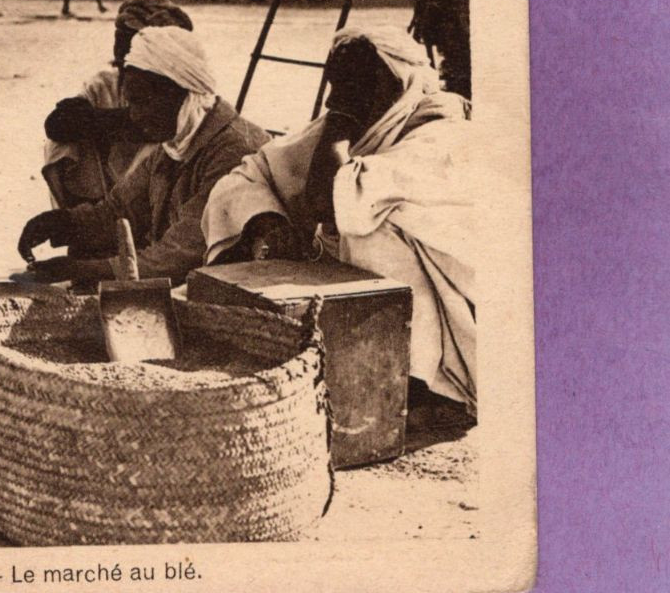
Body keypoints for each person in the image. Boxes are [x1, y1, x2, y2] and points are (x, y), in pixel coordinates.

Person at [202, 25, 476, 414]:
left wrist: (342, 118)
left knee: (372, 227)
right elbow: (249, 174)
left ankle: (414, 384)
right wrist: (268, 220)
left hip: (461, 325)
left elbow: (328, 200)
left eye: (354, 86)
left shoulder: (445, 133)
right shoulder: (373, 117)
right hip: (375, 300)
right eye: (336, 85)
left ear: (399, 85)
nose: (336, 99)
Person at [18, 26, 268, 284]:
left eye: (143, 101)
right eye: (130, 103)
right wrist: (63, 223)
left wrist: (80, 271)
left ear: (183, 94)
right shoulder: (174, 145)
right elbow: (119, 210)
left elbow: (178, 257)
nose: (134, 116)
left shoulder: (234, 151)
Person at [40, 0, 196, 229]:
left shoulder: (175, 86)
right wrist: (109, 122)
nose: (122, 48)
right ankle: (86, 220)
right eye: (119, 37)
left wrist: (97, 121)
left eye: (133, 39)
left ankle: (129, 225)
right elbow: (57, 124)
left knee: (158, 152)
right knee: (59, 145)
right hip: (110, 184)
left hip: (156, 190)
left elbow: (161, 129)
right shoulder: (106, 84)